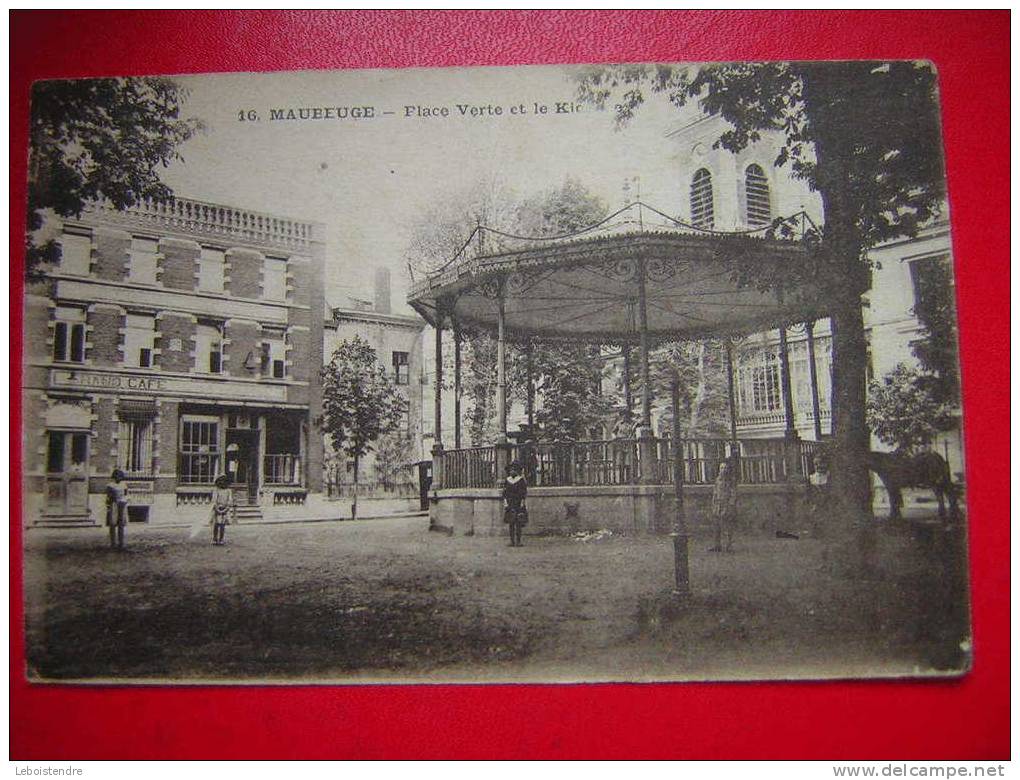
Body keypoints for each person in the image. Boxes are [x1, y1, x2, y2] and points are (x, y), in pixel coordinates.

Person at [709, 458, 738, 552]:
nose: (723, 470)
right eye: (721, 468)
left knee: (727, 526)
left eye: (725, 468)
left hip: (726, 505)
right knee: (716, 526)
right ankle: (717, 545)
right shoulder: (718, 480)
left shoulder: (731, 481)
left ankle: (728, 545)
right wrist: (713, 505)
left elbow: (733, 494)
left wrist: (730, 505)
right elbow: (715, 493)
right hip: (718, 505)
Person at [502, 460, 528, 548]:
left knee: (518, 522)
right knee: (511, 522)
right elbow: (505, 493)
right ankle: (512, 541)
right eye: (510, 470)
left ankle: (518, 541)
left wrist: (522, 503)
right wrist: (505, 503)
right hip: (510, 503)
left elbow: (524, 493)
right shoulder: (507, 480)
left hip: (518, 503)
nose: (512, 471)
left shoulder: (521, 480)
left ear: (517, 471)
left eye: (514, 470)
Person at [105, 469, 129, 550]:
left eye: (120, 477)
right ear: (114, 477)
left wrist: (125, 501)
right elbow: (108, 497)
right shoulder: (110, 485)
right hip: (114, 504)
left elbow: (126, 494)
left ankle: (121, 543)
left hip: (122, 504)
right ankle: (113, 543)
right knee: (113, 523)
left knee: (121, 524)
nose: (118, 478)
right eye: (117, 476)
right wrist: (109, 505)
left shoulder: (124, 485)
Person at [210, 473, 235, 545]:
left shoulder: (228, 491)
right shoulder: (216, 490)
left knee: (222, 525)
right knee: (216, 524)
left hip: (224, 509)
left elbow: (229, 501)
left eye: (224, 481)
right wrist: (217, 508)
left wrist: (226, 509)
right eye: (221, 480)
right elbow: (214, 500)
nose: (222, 482)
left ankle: (221, 539)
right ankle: (214, 538)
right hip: (217, 509)